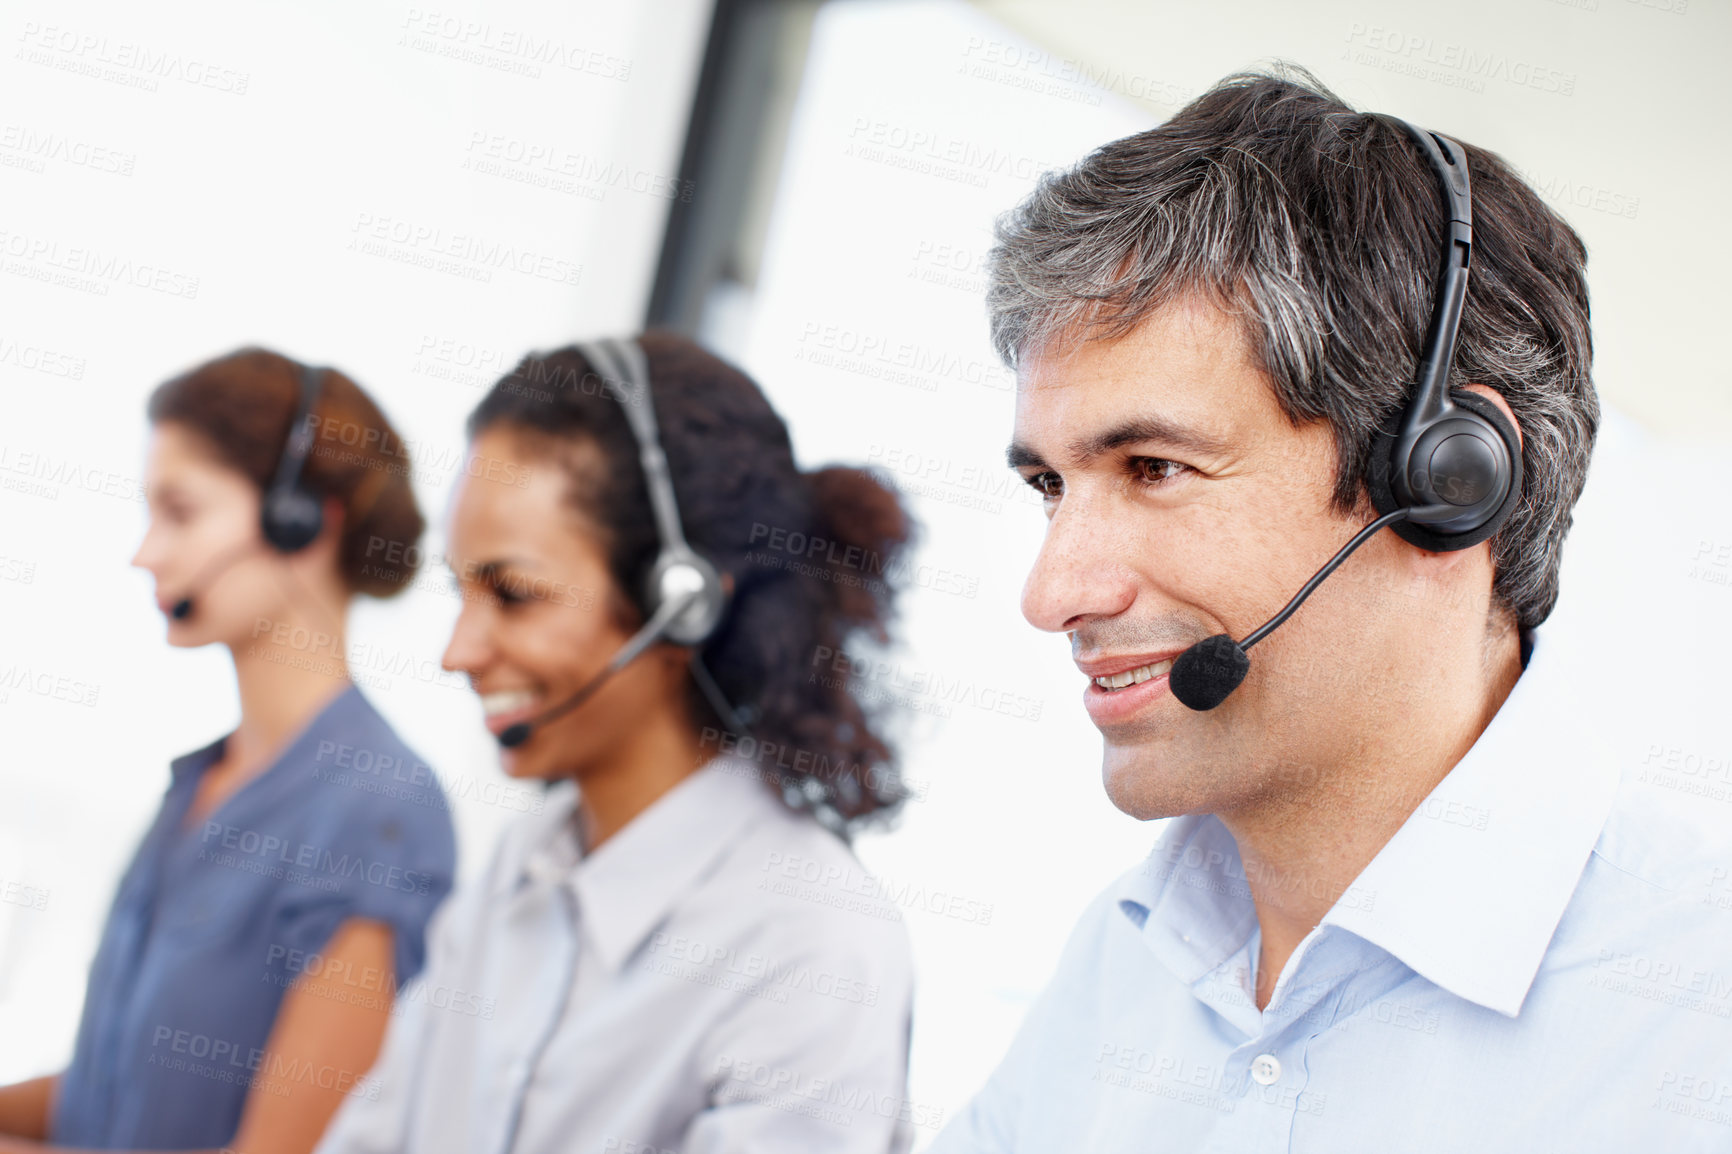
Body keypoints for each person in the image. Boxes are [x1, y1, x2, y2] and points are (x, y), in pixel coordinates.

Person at [930, 71, 1732, 1152]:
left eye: (1156, 467)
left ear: (1449, 481)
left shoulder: (1693, 1019)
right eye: (1050, 487)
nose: (1053, 592)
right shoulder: (1118, 972)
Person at [316, 333, 920, 1154]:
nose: (458, 651)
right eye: (461, 592)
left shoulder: (809, 945)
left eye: (513, 594)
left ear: (684, 604)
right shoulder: (519, 864)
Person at [0, 349, 457, 1153]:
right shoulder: (198, 784)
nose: (146, 552)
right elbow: (114, 1094)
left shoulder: (381, 812)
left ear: (305, 519)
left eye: (180, 511)